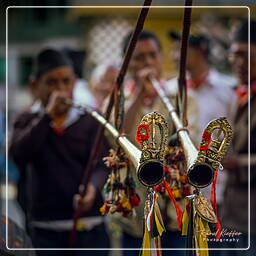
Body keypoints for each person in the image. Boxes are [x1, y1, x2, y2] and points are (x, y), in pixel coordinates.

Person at [9, 48, 110, 255]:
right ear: (34, 86)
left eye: (66, 81)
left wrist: (92, 189)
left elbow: (101, 163)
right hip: (45, 231)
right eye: (52, 82)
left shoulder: (89, 119)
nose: (61, 89)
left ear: (74, 82)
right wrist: (47, 118)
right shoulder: (27, 120)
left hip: (90, 229)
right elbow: (19, 154)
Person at [109, 30, 194, 256]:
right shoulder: (118, 100)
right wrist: (138, 95)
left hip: (174, 211)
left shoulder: (180, 97)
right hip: (135, 213)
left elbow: (190, 139)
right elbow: (118, 139)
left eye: (152, 56)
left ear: (161, 58)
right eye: (139, 57)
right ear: (127, 63)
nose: (148, 62)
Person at [220, 20, 256, 255]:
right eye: (234, 55)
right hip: (233, 216)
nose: (238, 63)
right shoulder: (239, 94)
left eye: (246, 55)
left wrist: (237, 164)